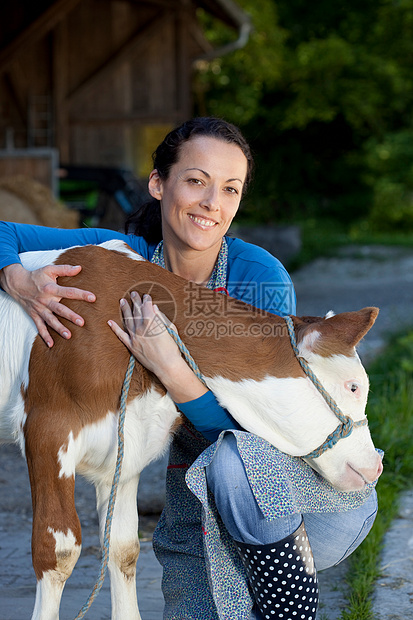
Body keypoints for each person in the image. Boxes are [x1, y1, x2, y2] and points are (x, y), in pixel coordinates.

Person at [0, 117, 379, 620]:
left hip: (290, 504)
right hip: (194, 522)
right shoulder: (123, 259)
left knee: (233, 458)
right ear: (159, 184)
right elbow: (4, 230)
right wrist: (17, 278)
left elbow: (255, 447)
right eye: (196, 181)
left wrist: (172, 369)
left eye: (230, 189)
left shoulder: (258, 280)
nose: (211, 203)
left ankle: (292, 608)